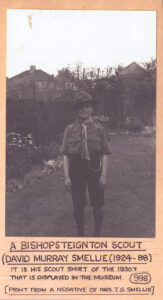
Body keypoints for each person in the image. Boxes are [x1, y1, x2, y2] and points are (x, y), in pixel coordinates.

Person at [61, 90, 111, 237]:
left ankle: (97, 234)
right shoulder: (69, 129)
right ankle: (80, 234)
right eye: (80, 107)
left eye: (86, 106)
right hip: (76, 168)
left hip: (95, 167)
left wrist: (104, 175)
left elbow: (105, 153)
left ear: (91, 108)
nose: (83, 109)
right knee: (78, 205)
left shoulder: (99, 128)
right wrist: (66, 177)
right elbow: (64, 153)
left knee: (98, 205)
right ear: (76, 110)